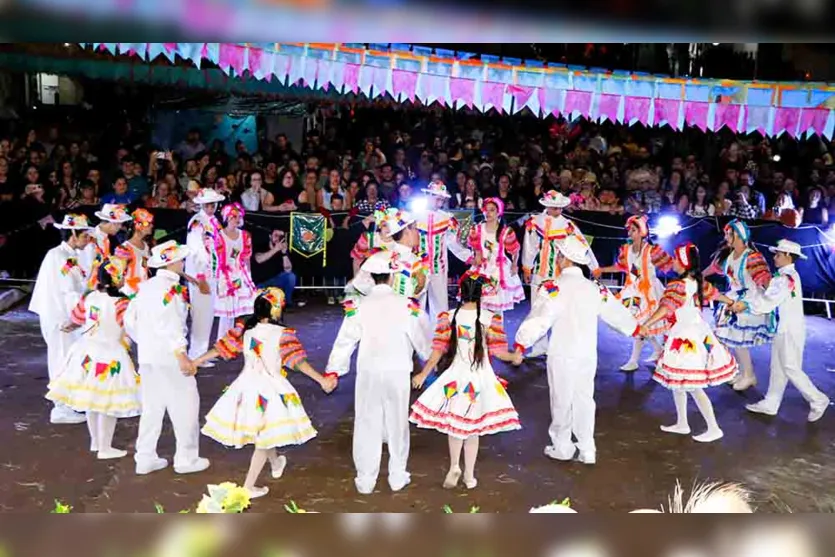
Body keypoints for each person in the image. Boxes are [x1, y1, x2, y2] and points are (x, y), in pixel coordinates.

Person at [193, 288, 337, 499]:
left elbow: (221, 349)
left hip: (245, 387)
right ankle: (248, 486)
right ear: (275, 309)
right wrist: (322, 380)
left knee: (264, 430)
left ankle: (276, 463)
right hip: (270, 389)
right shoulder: (282, 334)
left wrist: (195, 362)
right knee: (264, 437)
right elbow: (296, 361)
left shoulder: (245, 330)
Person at [513, 235, 640, 465]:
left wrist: (522, 342)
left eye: (559, 255)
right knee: (584, 398)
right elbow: (617, 314)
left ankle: (562, 446)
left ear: (564, 259)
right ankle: (587, 448)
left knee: (561, 399)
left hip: (562, 352)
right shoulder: (595, 288)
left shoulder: (553, 288)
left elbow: (540, 319)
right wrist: (634, 327)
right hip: (586, 353)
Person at [325, 251, 432, 494]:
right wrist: (428, 359)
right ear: (393, 277)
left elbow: (345, 341)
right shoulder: (407, 305)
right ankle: (397, 475)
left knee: (366, 421)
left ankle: (365, 479)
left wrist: (334, 371)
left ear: (372, 277)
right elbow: (422, 339)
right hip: (397, 371)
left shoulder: (359, 306)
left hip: (369, 371)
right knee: (397, 422)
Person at [410, 272, 521, 490]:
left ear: (460, 293)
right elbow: (499, 352)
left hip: (455, 378)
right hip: (481, 379)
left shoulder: (448, 317)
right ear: (481, 295)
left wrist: (424, 373)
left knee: (456, 426)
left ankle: (454, 466)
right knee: (473, 429)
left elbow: (438, 350)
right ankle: (469, 475)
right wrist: (514, 357)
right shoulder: (491, 318)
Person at [124, 240, 209, 476]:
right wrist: (181, 354)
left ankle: (145, 456)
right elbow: (172, 324)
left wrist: (147, 341)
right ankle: (186, 457)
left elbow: (130, 321)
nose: (182, 262)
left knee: (152, 406)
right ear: (171, 263)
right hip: (170, 356)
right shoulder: (172, 291)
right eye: (180, 259)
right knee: (186, 404)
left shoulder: (145, 287)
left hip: (149, 356)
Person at [640, 243, 738, 443]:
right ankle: (682, 423)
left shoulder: (679, 285)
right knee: (680, 383)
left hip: (686, 338)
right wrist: (731, 303)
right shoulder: (697, 282)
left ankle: (713, 427)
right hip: (695, 333)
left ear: (684, 262)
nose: (673, 262)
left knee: (692, 385)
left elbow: (666, 309)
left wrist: (646, 324)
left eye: (676, 259)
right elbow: (716, 294)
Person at [46, 258, 141, 459]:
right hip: (110, 354)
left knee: (91, 399)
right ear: (116, 279)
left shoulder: (89, 298)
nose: (125, 278)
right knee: (107, 401)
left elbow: (76, 319)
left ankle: (96, 443)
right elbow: (132, 328)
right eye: (122, 275)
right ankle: (105, 448)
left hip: (86, 353)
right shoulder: (121, 302)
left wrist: (67, 326)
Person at [731, 240, 830, 421]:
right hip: (783, 328)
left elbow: (768, 303)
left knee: (790, 367)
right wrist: (758, 290)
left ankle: (818, 399)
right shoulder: (785, 277)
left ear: (787, 256)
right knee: (778, 367)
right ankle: (771, 402)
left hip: (789, 330)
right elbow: (769, 296)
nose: (774, 257)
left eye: (777, 254)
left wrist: (744, 305)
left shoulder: (786, 279)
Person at [28, 214, 93, 425]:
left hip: (64, 315)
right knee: (61, 359)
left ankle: (70, 400)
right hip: (60, 318)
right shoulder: (60, 256)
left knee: (69, 358)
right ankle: (60, 407)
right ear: (73, 234)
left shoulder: (66, 255)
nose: (88, 240)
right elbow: (67, 293)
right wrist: (77, 316)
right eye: (85, 236)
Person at [520, 190, 598, 357]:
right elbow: (529, 246)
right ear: (547, 206)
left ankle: (558, 345)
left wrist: (594, 266)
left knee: (558, 309)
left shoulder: (567, 226)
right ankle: (540, 346)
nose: (557, 211)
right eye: (554, 207)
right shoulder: (535, 223)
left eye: (560, 208)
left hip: (559, 275)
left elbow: (582, 245)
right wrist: (527, 267)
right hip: (540, 274)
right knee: (537, 308)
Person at [593, 215, 673, 371]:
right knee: (635, 323)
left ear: (642, 231)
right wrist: (602, 270)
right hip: (632, 291)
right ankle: (657, 350)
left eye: (634, 230)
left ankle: (635, 360)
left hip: (649, 292)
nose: (630, 233)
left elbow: (669, 266)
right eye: (629, 230)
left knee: (642, 323)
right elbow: (621, 267)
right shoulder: (626, 250)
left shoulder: (652, 250)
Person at [705, 219, 775, 391]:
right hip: (733, 299)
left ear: (740, 235)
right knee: (726, 338)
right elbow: (710, 270)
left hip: (748, 301)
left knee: (736, 339)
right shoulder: (727, 255)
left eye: (730, 233)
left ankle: (748, 375)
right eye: (726, 233)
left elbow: (766, 282)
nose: (726, 236)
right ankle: (737, 371)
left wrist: (774, 300)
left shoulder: (752, 257)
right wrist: (694, 278)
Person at [414, 180, 471, 321]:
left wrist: (468, 256)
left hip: (438, 267)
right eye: (435, 197)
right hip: (417, 267)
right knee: (415, 304)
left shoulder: (446, 219)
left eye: (441, 199)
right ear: (427, 196)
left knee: (440, 305)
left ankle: (440, 337)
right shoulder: (414, 217)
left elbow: (453, 243)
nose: (438, 202)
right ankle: (415, 337)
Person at [344, 208, 427, 303]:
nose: (419, 233)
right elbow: (359, 284)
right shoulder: (381, 258)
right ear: (406, 232)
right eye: (415, 229)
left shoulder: (417, 259)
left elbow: (419, 297)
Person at [185, 188, 224, 366]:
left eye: (213, 204)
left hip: (212, 272)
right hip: (201, 274)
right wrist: (201, 277)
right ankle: (195, 354)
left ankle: (201, 352)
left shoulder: (213, 221)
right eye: (208, 204)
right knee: (201, 314)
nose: (211, 207)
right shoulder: (197, 223)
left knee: (207, 314)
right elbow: (196, 252)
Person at [467, 197, 524, 315]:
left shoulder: (505, 231)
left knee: (497, 307)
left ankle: (496, 331)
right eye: (486, 210)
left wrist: (514, 265)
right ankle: (482, 331)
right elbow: (475, 246)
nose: (488, 213)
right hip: (482, 268)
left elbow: (515, 250)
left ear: (499, 212)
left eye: (492, 210)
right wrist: (476, 255)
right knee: (480, 305)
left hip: (498, 270)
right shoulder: (477, 229)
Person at [213, 203, 257, 336]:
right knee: (227, 312)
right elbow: (214, 259)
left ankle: (234, 340)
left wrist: (249, 276)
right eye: (233, 216)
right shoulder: (219, 236)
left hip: (239, 275)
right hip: (224, 276)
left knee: (243, 310)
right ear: (227, 217)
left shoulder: (245, 235)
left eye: (239, 216)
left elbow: (246, 258)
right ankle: (222, 342)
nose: (237, 219)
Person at [81, 203, 132, 290]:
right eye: (120, 224)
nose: (120, 227)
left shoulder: (106, 239)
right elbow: (87, 269)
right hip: (90, 289)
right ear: (113, 223)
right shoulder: (91, 240)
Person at [114, 208, 154, 298]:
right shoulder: (124, 248)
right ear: (138, 225)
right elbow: (117, 276)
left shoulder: (146, 245)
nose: (151, 226)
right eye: (148, 223)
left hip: (144, 292)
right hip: (129, 293)